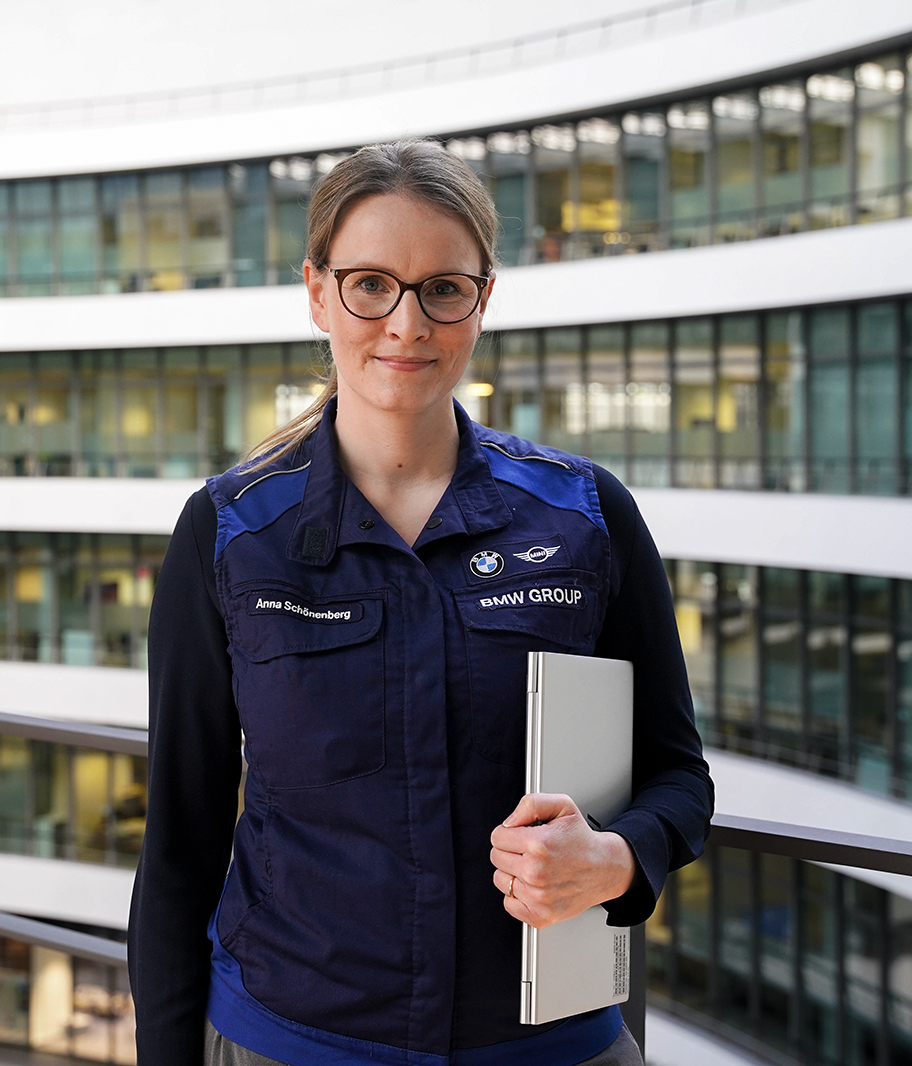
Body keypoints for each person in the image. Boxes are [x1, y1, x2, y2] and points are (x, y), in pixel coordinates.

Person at [130, 140, 713, 1066]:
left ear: (483, 300)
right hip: (292, 1045)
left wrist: (615, 859)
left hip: (549, 1048)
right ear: (319, 293)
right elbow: (180, 848)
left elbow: (681, 779)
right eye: (370, 284)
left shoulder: (586, 517)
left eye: (443, 288)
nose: (406, 323)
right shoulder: (231, 533)